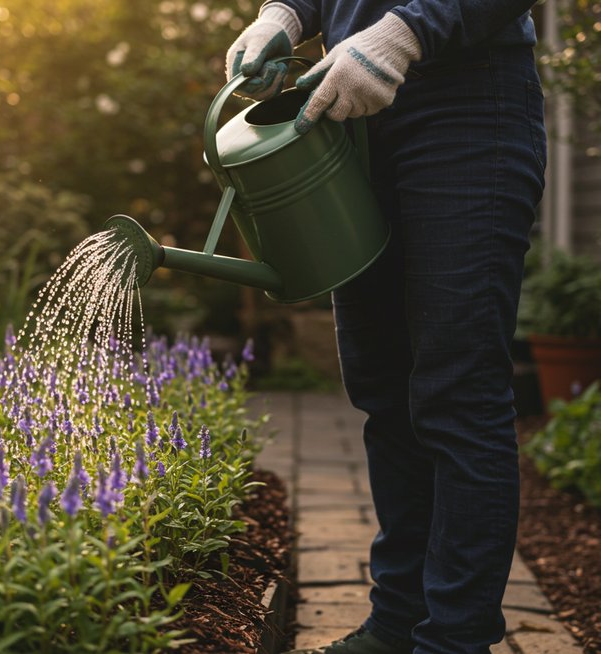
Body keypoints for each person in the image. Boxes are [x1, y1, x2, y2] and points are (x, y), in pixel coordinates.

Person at [225, 2, 546, 653]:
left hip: (465, 107)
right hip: (349, 103)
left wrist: (408, 30)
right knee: (385, 391)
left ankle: (453, 639)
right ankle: (398, 622)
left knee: (456, 392)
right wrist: (283, 17)